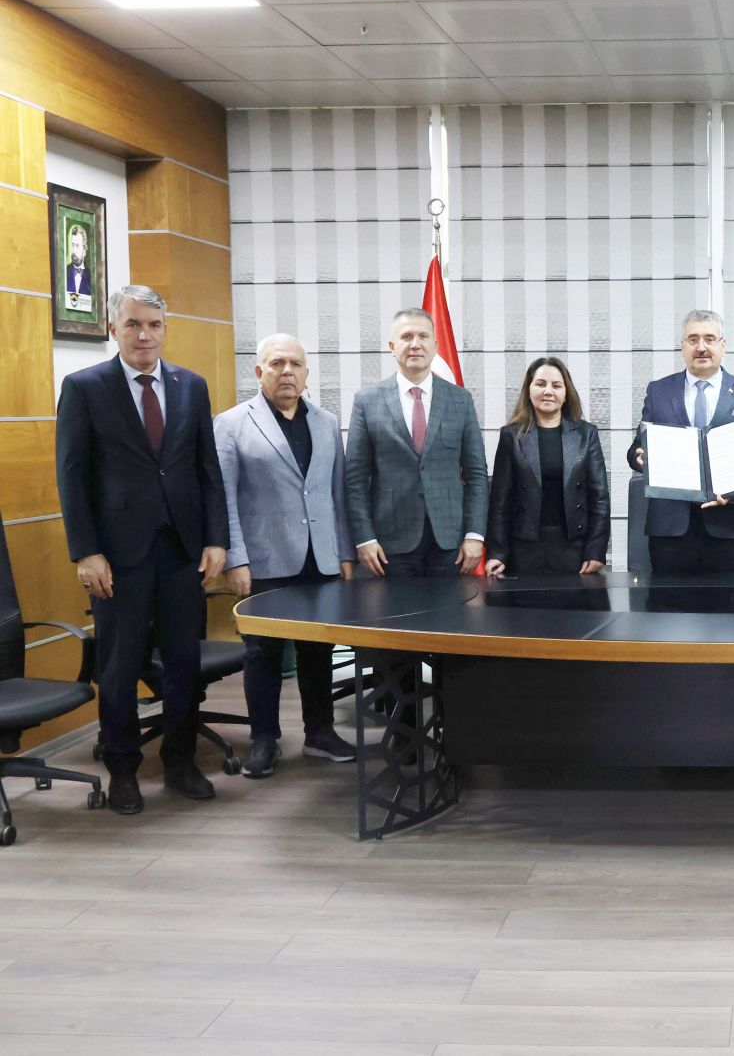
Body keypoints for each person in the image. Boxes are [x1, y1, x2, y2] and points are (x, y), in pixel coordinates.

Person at [55, 284, 227, 815]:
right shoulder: (85, 387)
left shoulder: (190, 385)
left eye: (153, 324)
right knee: (119, 666)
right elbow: (72, 475)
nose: (144, 335)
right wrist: (86, 551)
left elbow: (207, 469)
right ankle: (123, 770)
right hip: (117, 556)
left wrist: (216, 539)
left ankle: (180, 761)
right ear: (114, 329)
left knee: (183, 664)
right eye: (133, 324)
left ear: (165, 329)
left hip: (182, 551)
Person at [215, 334, 358, 779]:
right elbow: (224, 499)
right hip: (264, 559)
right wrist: (235, 559)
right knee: (263, 653)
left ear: (306, 373)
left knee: (319, 649)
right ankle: (264, 739)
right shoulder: (232, 423)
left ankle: (320, 732)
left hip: (321, 558)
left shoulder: (326, 422)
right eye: (277, 363)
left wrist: (344, 553)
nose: (287, 372)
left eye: (295, 364)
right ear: (259, 372)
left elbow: (336, 494)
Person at [345, 308, 488, 579]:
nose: (415, 344)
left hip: (451, 543)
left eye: (423, 336)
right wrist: (364, 538)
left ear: (435, 345)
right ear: (392, 346)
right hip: (388, 545)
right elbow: (355, 478)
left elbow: (477, 474)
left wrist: (475, 535)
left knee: (452, 608)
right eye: (406, 336)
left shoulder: (460, 400)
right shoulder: (367, 401)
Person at [628, 309, 734, 575]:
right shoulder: (659, 391)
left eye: (710, 338)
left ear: (723, 345)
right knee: (669, 602)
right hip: (670, 531)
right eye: (693, 339)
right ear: (682, 346)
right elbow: (637, 449)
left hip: (728, 530)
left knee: (731, 601)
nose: (701, 347)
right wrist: (639, 458)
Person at [485, 357, 610, 577]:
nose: (548, 391)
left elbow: (599, 498)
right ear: (529, 390)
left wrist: (596, 551)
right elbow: (499, 502)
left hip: (575, 549)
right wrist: (497, 552)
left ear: (566, 393)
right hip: (523, 548)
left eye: (556, 385)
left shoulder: (586, 434)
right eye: (540, 384)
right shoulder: (511, 435)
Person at [65, 223, 92, 311]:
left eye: (77, 246)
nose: (74, 250)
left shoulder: (91, 276)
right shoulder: (64, 272)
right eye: (72, 245)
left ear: (84, 250)